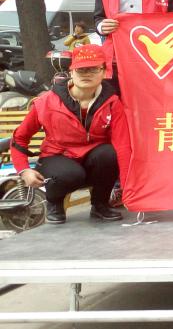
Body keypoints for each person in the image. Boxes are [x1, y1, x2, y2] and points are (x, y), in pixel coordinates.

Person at [12, 44, 128, 224]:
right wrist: (23, 170)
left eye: (93, 69)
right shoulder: (47, 101)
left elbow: (122, 145)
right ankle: (54, 202)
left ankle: (100, 205)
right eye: (81, 69)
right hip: (57, 159)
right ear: (71, 72)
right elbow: (20, 138)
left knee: (109, 153)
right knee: (71, 173)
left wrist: (128, 186)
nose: (87, 74)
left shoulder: (112, 102)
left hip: (93, 161)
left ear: (104, 71)